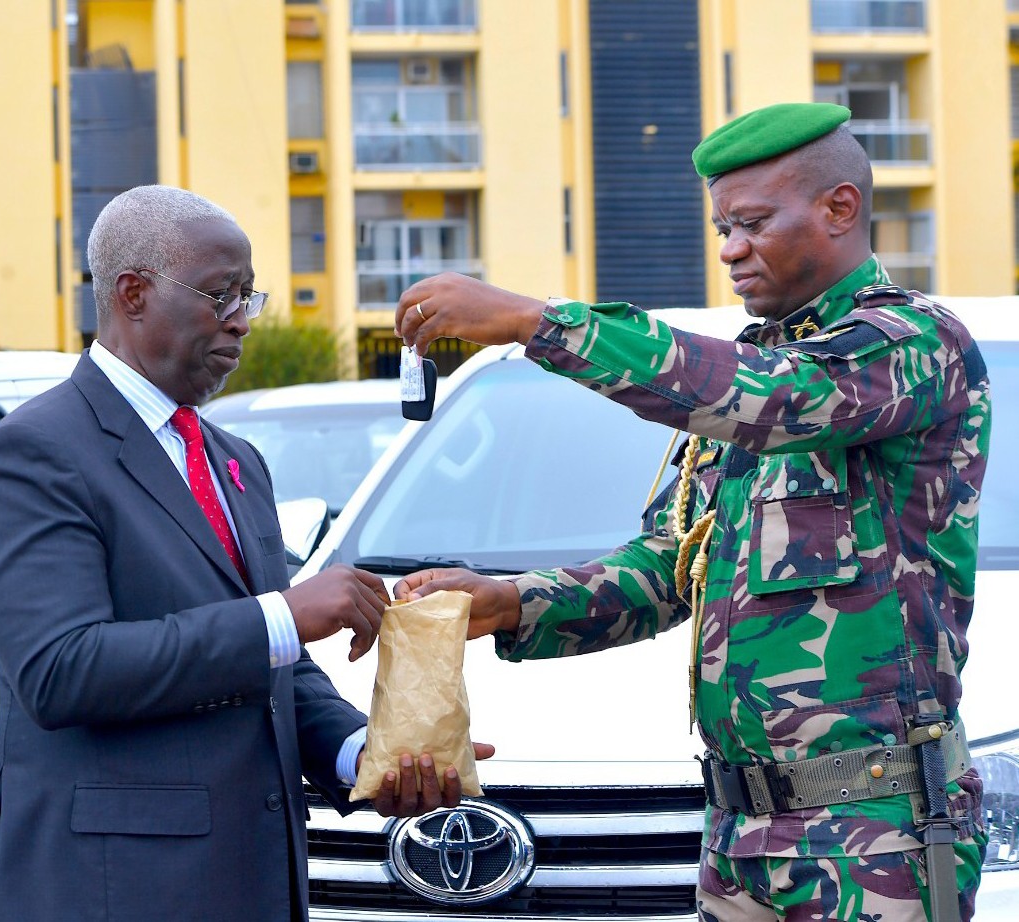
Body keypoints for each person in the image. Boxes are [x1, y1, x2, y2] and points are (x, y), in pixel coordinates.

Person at [391, 103, 990, 921]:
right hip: (737, 838)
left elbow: (774, 399)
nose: (729, 249)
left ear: (839, 208)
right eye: (721, 226)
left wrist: (538, 324)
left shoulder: (911, 343)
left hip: (876, 836)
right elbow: (669, 569)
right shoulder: (739, 384)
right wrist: (512, 601)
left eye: (750, 223)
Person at [0, 185, 482, 922]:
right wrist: (283, 616)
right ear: (133, 293)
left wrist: (361, 753)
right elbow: (60, 670)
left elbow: (275, 664)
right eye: (220, 294)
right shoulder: (35, 453)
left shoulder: (235, 461)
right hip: (114, 892)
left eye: (248, 295)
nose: (241, 319)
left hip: (250, 881)